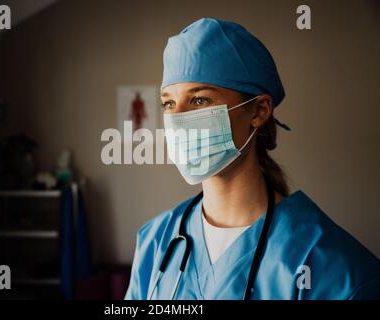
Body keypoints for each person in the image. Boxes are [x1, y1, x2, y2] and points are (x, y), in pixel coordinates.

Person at [124, 18, 380, 300]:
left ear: (259, 111)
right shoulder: (156, 242)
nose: (178, 119)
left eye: (199, 100)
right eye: (169, 103)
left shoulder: (333, 267)